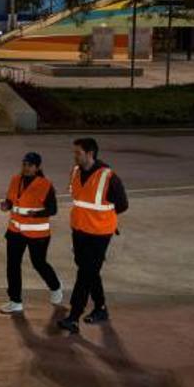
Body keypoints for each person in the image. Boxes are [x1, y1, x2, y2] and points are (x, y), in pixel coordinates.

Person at [57, 137, 129, 335]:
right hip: (79, 230)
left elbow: (122, 205)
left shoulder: (108, 176)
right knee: (88, 269)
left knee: (85, 273)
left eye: (78, 153)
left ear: (90, 154)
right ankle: (101, 308)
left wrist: (101, 217)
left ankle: (74, 317)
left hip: (99, 233)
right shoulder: (75, 172)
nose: (74, 156)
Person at [0, 152, 64, 314]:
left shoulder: (45, 184)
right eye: (24, 164)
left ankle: (55, 287)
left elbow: (53, 209)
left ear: (38, 167)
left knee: (39, 263)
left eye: (30, 165)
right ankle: (15, 301)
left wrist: (37, 214)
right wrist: (6, 205)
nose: (26, 168)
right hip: (15, 231)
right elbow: (11, 200)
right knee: (12, 265)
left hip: (38, 234)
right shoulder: (15, 180)